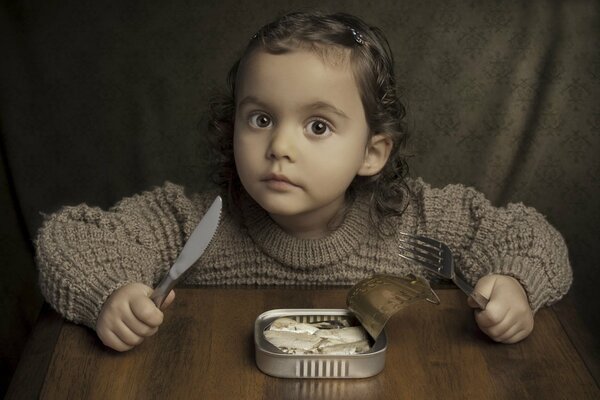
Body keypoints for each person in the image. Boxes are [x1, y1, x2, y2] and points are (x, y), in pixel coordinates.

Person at [35, 11, 572, 352]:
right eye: (261, 118)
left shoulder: (416, 219)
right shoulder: (192, 221)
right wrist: (111, 295)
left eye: (317, 126)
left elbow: (529, 235)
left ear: (371, 152)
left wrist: (515, 286)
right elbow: (70, 237)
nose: (280, 147)